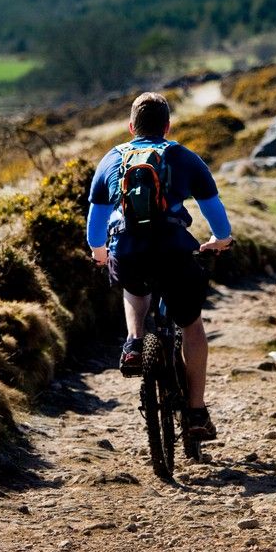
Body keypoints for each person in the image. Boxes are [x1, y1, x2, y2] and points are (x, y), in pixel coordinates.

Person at [86, 92, 234, 441]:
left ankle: (134, 344)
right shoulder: (184, 157)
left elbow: (96, 221)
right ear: (167, 126)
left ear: (130, 126)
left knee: (134, 290)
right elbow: (216, 214)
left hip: (127, 249)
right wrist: (219, 240)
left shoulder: (112, 158)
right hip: (173, 250)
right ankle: (196, 411)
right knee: (192, 324)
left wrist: (99, 253)